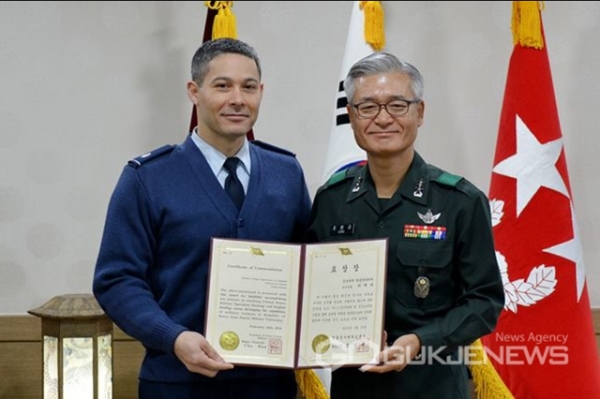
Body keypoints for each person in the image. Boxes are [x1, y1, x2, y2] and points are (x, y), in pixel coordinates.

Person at [93, 38, 311, 399]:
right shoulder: (147, 178)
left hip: (270, 385)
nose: (238, 99)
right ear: (194, 92)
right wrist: (173, 337)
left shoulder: (285, 172)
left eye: (249, 87)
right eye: (222, 85)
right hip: (177, 381)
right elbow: (116, 279)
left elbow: (310, 267)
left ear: (262, 92)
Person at [305, 52, 505, 398]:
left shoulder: (460, 201)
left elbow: (484, 301)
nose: (383, 118)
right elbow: (308, 290)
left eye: (397, 105)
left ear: (420, 112)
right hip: (355, 387)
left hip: (433, 385)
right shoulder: (331, 200)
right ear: (351, 116)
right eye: (367, 107)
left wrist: (419, 341)